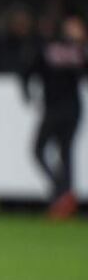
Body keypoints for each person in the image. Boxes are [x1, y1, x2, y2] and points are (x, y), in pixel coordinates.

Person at [21, 12, 86, 220]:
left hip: (55, 109)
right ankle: (64, 195)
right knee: (65, 153)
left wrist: (28, 95)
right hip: (73, 109)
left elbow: (26, 72)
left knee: (39, 149)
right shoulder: (76, 50)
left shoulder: (46, 50)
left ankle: (61, 194)